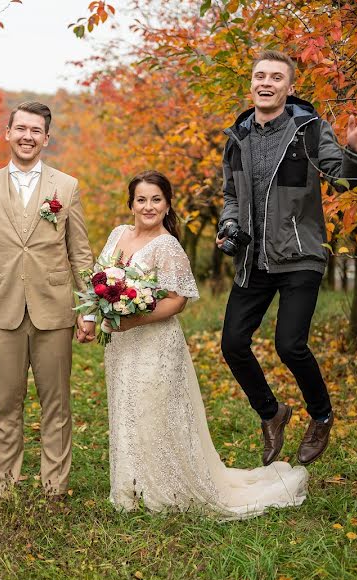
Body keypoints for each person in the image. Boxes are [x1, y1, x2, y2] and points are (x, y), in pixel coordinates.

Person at [104, 170, 308, 519]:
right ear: (131, 203)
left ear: (167, 204)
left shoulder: (167, 245)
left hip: (154, 343)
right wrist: (97, 312)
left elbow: (177, 301)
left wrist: (132, 319)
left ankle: (165, 487)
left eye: (156, 199)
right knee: (126, 406)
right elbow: (102, 277)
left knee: (155, 410)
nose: (148, 206)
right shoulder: (118, 235)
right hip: (122, 344)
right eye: (141, 199)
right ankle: (131, 483)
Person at [218, 50, 357, 467]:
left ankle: (321, 415)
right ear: (251, 84)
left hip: (299, 254)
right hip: (253, 258)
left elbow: (343, 183)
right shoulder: (237, 137)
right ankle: (272, 414)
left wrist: (356, 152)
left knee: (289, 345)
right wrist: (228, 228)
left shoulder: (308, 129)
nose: (265, 82)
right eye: (259, 76)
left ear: (289, 87)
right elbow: (231, 196)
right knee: (233, 344)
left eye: (275, 77)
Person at [0, 101, 95, 499]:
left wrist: (88, 308)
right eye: (20, 128)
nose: (27, 136)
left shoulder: (66, 186)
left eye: (36, 131)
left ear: (46, 138)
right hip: (2, 312)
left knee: (56, 406)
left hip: (54, 311)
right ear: (7, 133)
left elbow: (81, 253)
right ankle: (3, 488)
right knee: (6, 406)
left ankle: (54, 488)